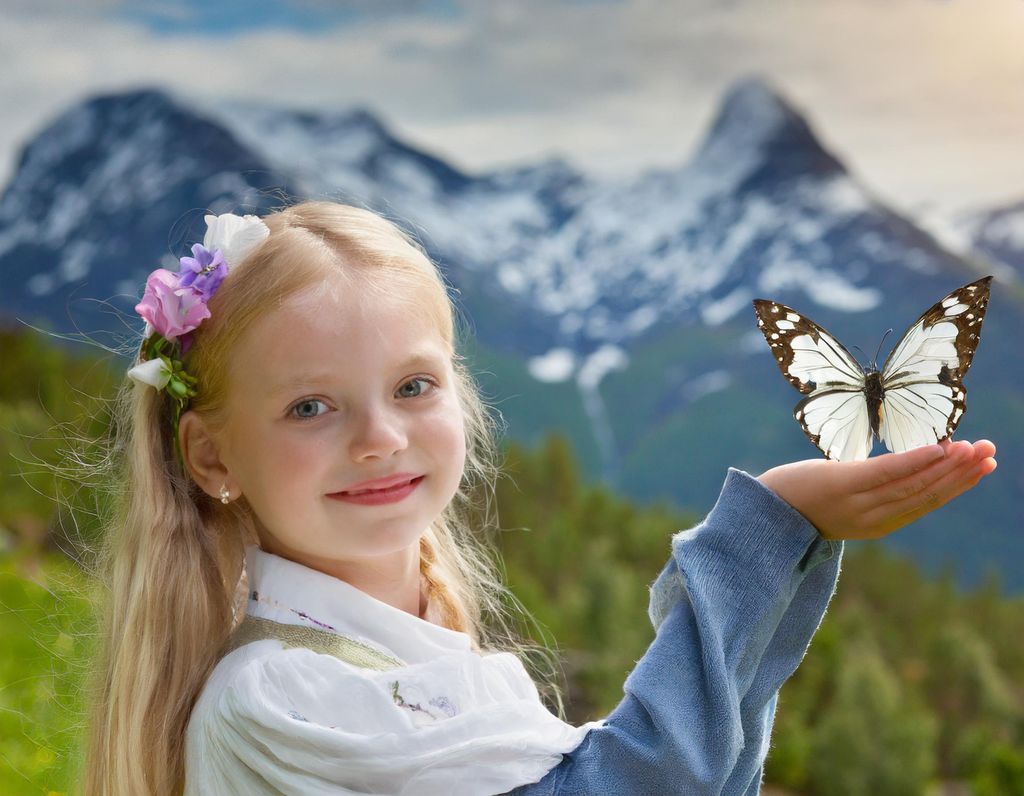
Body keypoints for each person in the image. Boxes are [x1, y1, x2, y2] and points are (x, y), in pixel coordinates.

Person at [81, 200, 997, 796]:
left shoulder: (419, 667)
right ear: (210, 457)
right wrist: (762, 534)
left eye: (412, 387)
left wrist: (792, 545)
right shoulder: (284, 696)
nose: (380, 438)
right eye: (309, 406)